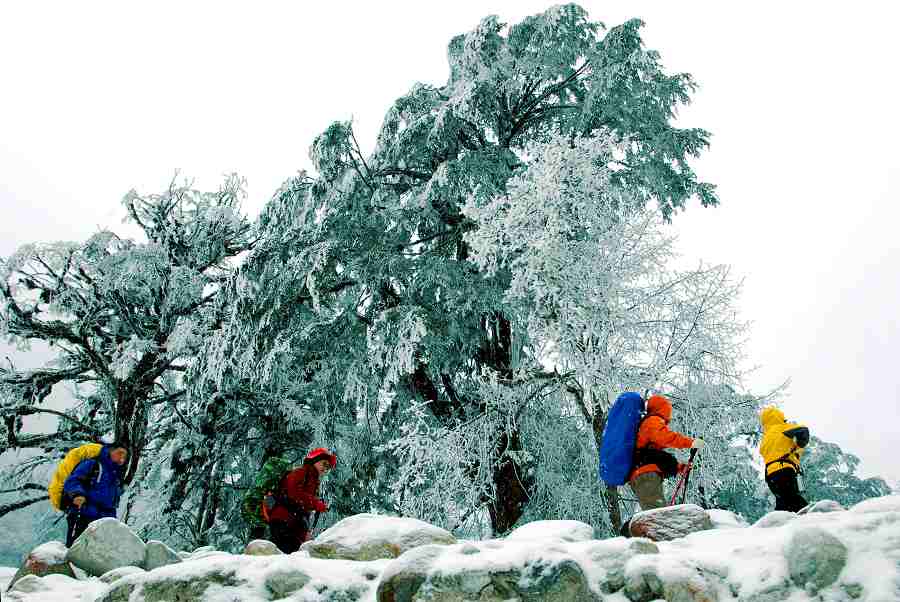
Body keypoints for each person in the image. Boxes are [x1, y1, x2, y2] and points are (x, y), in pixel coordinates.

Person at [628, 395, 704, 511]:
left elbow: (656, 457)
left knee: (656, 513)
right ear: (663, 408)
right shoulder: (652, 421)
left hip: (644, 475)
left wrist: (678, 467)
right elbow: (666, 438)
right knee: (656, 515)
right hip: (646, 475)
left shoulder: (649, 425)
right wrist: (690, 442)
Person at [267, 447, 336, 553]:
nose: (326, 468)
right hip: (283, 519)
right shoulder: (301, 472)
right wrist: (316, 503)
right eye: (324, 464)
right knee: (284, 554)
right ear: (314, 460)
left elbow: (304, 507)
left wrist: (306, 531)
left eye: (328, 467)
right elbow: (293, 491)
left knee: (288, 556)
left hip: (294, 524)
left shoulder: (313, 480)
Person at [62, 443, 128, 546]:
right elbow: (73, 481)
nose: (122, 459)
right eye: (120, 453)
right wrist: (77, 494)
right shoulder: (92, 464)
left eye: (124, 457)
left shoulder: (115, 476)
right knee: (76, 548)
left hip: (104, 522)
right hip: (84, 514)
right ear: (110, 450)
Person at [759, 406, 809, 512]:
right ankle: (811, 519)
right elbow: (803, 430)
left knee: (783, 502)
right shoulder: (782, 427)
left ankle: (777, 525)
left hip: (770, 474)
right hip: (784, 470)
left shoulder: (766, 437)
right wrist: (801, 442)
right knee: (795, 502)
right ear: (779, 416)